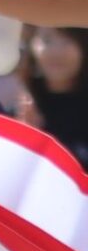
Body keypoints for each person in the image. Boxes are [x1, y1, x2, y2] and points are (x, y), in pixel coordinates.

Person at [18, 26, 88, 170]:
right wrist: (26, 136)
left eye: (68, 40)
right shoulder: (24, 106)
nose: (56, 52)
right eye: (47, 40)